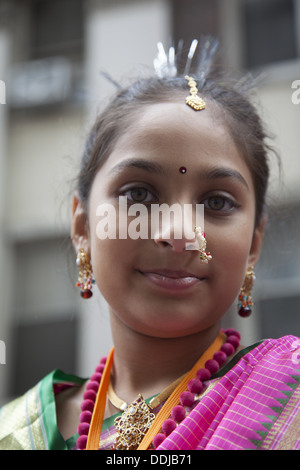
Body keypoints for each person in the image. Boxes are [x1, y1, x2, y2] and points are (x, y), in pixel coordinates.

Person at [0, 38, 299, 451]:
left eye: (216, 202)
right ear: (83, 226)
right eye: (139, 195)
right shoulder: (14, 432)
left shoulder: (289, 401)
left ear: (253, 244)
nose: (178, 232)